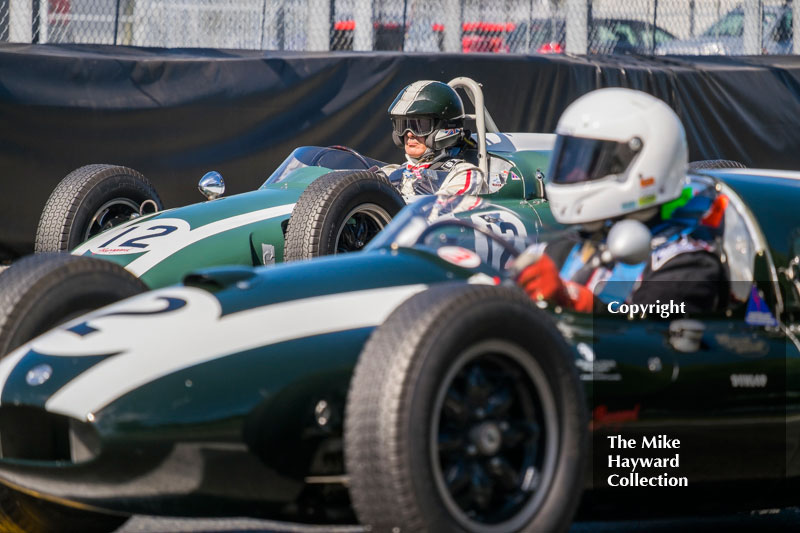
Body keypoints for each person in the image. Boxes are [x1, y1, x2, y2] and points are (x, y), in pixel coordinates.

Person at [516, 87, 729, 314]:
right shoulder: (564, 250)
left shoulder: (686, 264)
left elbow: (648, 328)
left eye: (588, 161)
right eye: (571, 159)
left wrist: (577, 302)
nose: (574, 171)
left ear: (645, 163)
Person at [382, 80, 487, 196]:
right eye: (403, 125)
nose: (409, 134)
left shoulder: (464, 174)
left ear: (445, 127)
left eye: (419, 126)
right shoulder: (388, 172)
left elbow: (442, 209)